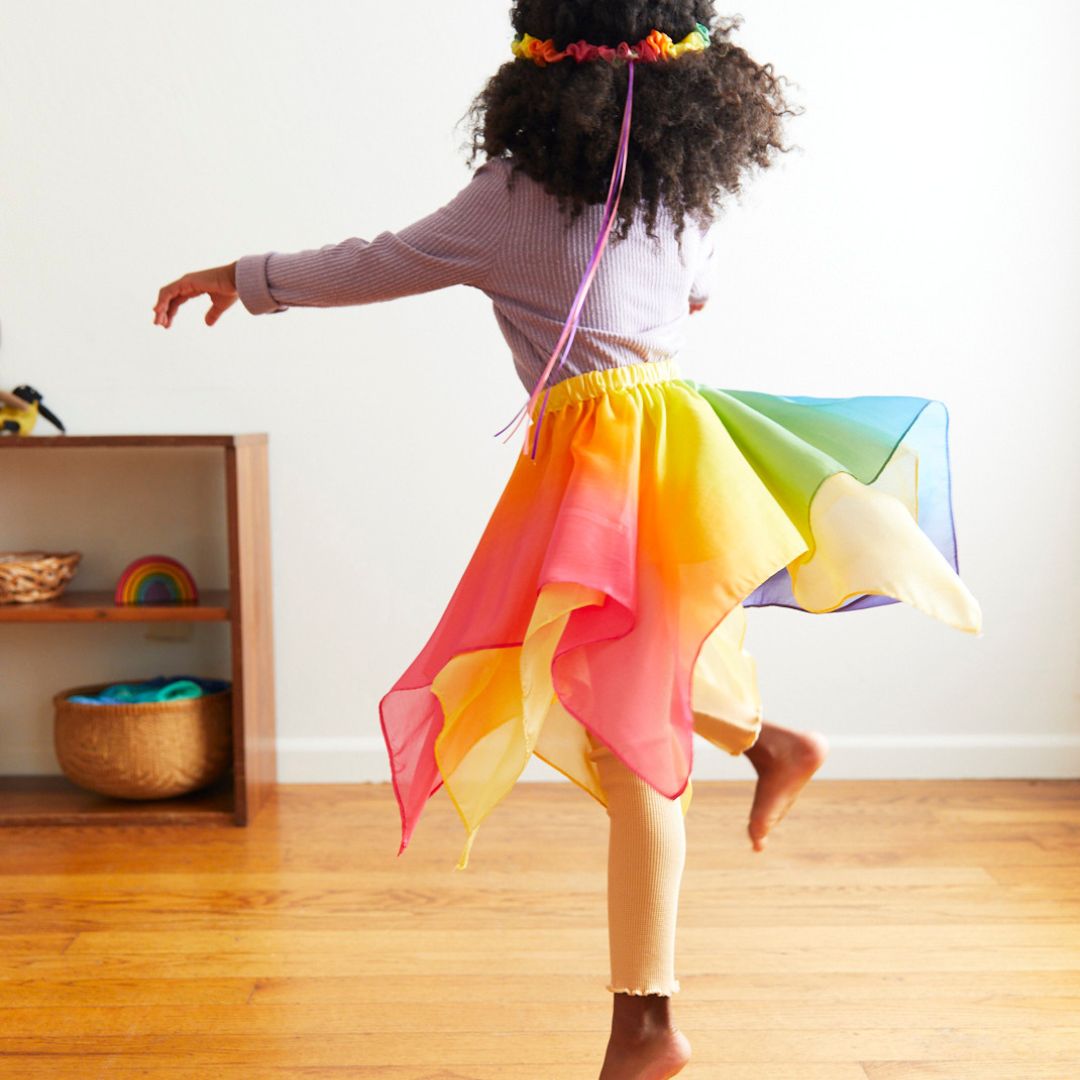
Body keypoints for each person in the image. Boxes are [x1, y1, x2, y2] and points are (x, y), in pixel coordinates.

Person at [153, 5, 983, 1077]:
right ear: (689, 90)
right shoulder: (674, 191)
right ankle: (770, 743)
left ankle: (647, 1024)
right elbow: (697, 292)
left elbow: (379, 261)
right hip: (681, 443)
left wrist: (244, 274)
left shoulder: (507, 200)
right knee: (628, 667)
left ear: (534, 73)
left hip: (600, 466)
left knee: (628, 733)